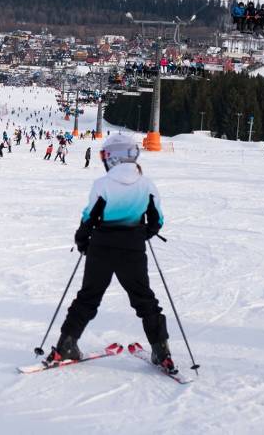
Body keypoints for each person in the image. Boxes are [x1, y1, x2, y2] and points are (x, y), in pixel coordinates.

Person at [49, 134, 173, 372]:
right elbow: (157, 220)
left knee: (87, 297)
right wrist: (140, 234)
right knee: (144, 299)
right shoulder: (146, 185)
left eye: (105, 156)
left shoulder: (102, 184)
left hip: (101, 246)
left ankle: (66, 345)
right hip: (132, 248)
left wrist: (82, 240)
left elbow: (89, 217)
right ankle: (161, 350)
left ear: (114, 158)